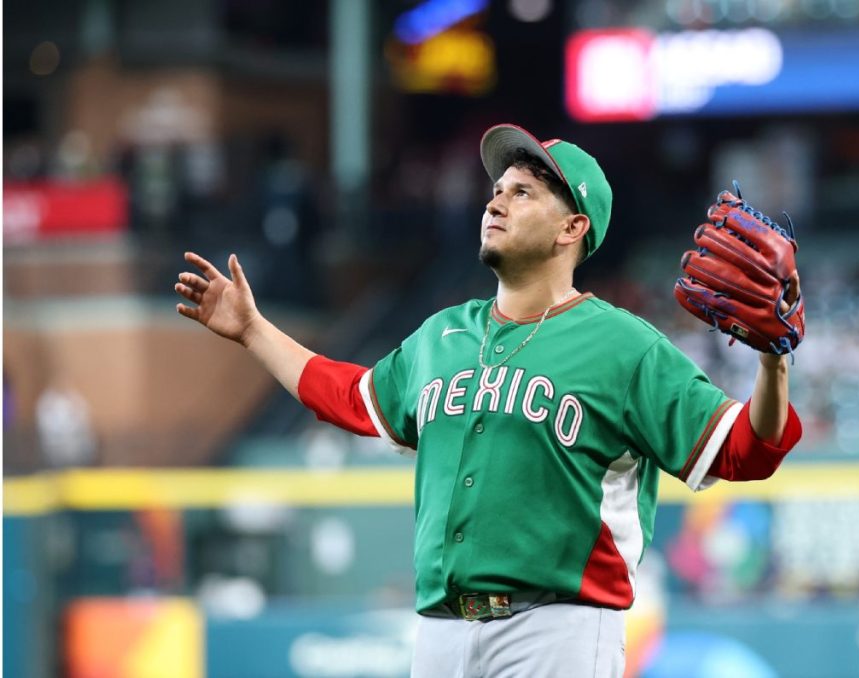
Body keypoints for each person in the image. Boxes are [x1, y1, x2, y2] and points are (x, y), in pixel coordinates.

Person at [174, 123, 802, 677]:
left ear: (572, 227)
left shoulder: (624, 346)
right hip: (442, 631)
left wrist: (773, 360)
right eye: (497, 189)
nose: (497, 200)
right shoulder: (442, 335)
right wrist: (254, 331)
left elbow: (747, 451)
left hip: (557, 629)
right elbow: (349, 397)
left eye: (523, 191)